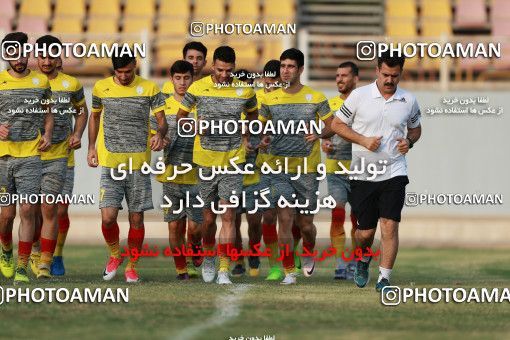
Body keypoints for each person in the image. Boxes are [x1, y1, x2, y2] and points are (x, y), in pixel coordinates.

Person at [331, 51, 422, 291]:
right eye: (385, 75)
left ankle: (384, 279)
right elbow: (336, 124)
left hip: (395, 171)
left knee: (390, 225)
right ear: (376, 71)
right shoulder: (359, 96)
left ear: (401, 73)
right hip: (363, 173)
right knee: (365, 233)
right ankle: (362, 259)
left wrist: (409, 142)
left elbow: (415, 129)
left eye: (394, 75)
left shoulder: (409, 100)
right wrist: (362, 140)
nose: (390, 80)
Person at [176, 46, 258, 284]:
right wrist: (194, 126)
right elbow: (181, 118)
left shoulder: (245, 90)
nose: (224, 75)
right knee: (209, 219)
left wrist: (249, 134)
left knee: (229, 215)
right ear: (213, 66)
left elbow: (253, 117)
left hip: (233, 161)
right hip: (205, 161)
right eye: (220, 70)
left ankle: (223, 269)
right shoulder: (197, 87)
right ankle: (209, 257)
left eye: (229, 71)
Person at [87, 54, 167, 283]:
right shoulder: (101, 88)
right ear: (114, 70)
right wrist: (91, 148)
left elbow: (162, 121)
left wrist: (160, 135)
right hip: (111, 163)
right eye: (119, 72)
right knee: (108, 217)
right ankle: (115, 255)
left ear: (135, 67)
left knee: (137, 219)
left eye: (128, 72)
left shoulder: (150, 88)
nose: (123, 76)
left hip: (138, 164)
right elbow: (95, 118)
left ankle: (132, 265)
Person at [258, 48, 334, 285]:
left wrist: (319, 134)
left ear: (300, 69)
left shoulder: (316, 97)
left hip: (306, 170)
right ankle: (289, 271)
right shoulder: (270, 99)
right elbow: (258, 129)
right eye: (282, 66)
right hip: (277, 168)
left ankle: (309, 250)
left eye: (290, 66)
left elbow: (333, 126)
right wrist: (260, 140)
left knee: (306, 225)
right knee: (285, 218)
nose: (285, 70)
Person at [29, 35, 88, 278]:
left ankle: (55, 255)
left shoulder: (71, 84)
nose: (46, 60)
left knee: (57, 211)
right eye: (42, 55)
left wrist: (77, 133)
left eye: (51, 55)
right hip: (30, 158)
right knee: (32, 211)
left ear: (59, 57)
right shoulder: (28, 82)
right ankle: (34, 251)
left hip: (63, 157)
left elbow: (82, 112)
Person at [0, 32, 54, 284]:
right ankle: (6, 250)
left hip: (31, 156)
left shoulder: (41, 83)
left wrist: (48, 134)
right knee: (7, 215)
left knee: (28, 209)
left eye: (22, 53)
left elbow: (48, 114)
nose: (19, 59)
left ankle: (22, 267)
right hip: (3, 159)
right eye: (13, 54)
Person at [153, 60, 203, 280]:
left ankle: (195, 250)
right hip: (171, 175)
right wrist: (158, 140)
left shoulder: (202, 104)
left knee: (195, 228)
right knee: (175, 226)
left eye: (187, 78)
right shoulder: (162, 105)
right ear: (171, 79)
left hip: (198, 176)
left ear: (193, 79)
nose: (182, 83)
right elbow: (152, 133)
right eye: (178, 78)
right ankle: (182, 269)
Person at [322, 61, 358, 280]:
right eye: (337, 76)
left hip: (360, 171)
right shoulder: (329, 104)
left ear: (355, 79)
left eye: (344, 75)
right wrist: (323, 144)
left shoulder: (362, 102)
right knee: (337, 214)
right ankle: (340, 262)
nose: (340, 79)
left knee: (358, 220)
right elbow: (323, 133)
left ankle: (355, 260)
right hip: (335, 169)